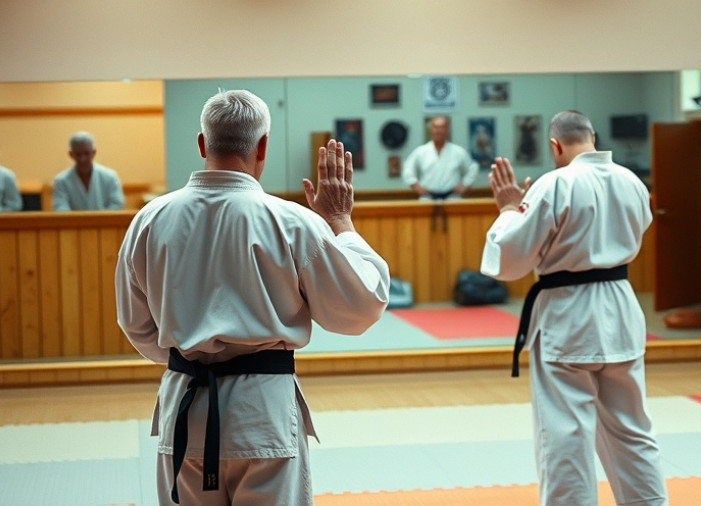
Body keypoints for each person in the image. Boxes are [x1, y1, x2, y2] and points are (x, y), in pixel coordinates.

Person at [115, 89, 389, 505]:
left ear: (202, 144)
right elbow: (360, 308)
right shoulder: (293, 222)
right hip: (261, 412)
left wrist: (192, 352)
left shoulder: (150, 220)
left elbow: (135, 324)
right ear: (262, 146)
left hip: (185, 408)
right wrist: (340, 222)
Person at [480, 110, 668, 506]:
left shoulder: (554, 184)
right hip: (621, 308)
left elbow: (510, 259)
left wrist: (508, 209)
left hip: (568, 316)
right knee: (632, 431)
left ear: (555, 146)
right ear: (593, 137)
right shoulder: (632, 182)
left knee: (565, 437)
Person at [402, 115, 478, 200]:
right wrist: (416, 186)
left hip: (452, 198)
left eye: (442, 127)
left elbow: (472, 168)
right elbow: (407, 169)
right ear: (431, 130)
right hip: (427, 198)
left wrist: (464, 185)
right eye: (435, 127)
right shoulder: (421, 151)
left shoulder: (458, 151)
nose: (439, 131)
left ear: (447, 130)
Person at [52, 131, 125, 210]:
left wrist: (99, 220)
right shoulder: (61, 181)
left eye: (86, 153)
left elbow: (117, 204)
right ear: (71, 154)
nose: (82, 159)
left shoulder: (110, 177)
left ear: (93, 153)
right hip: (73, 222)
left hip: (105, 222)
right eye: (78, 154)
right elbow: (60, 209)